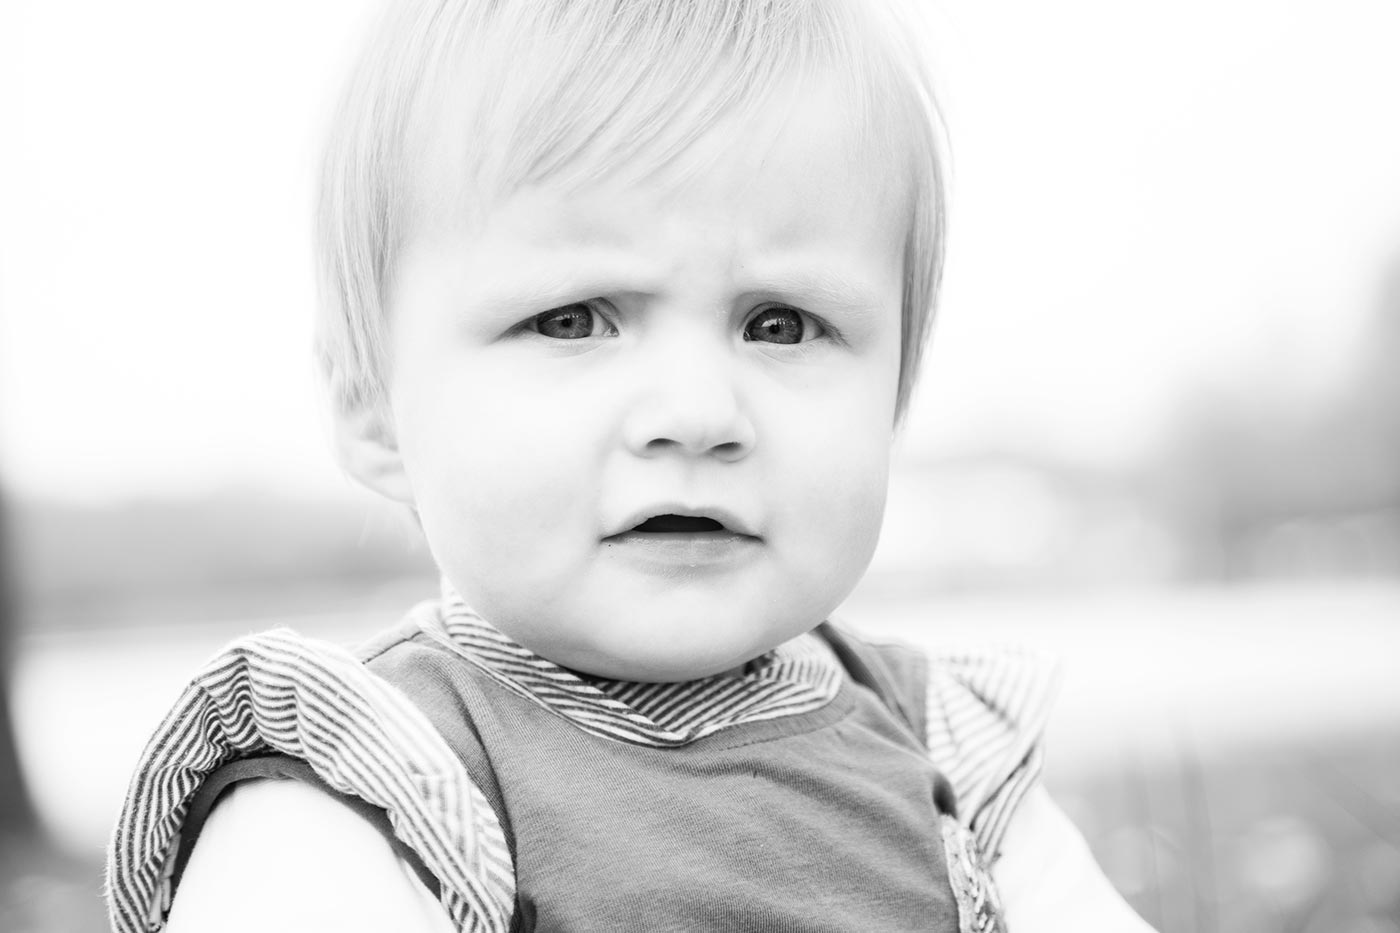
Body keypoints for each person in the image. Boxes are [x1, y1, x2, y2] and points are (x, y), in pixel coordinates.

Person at [106, 1, 1155, 930]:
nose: (696, 414)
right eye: (571, 319)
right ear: (374, 408)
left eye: (781, 324)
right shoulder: (375, 785)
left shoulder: (946, 754)